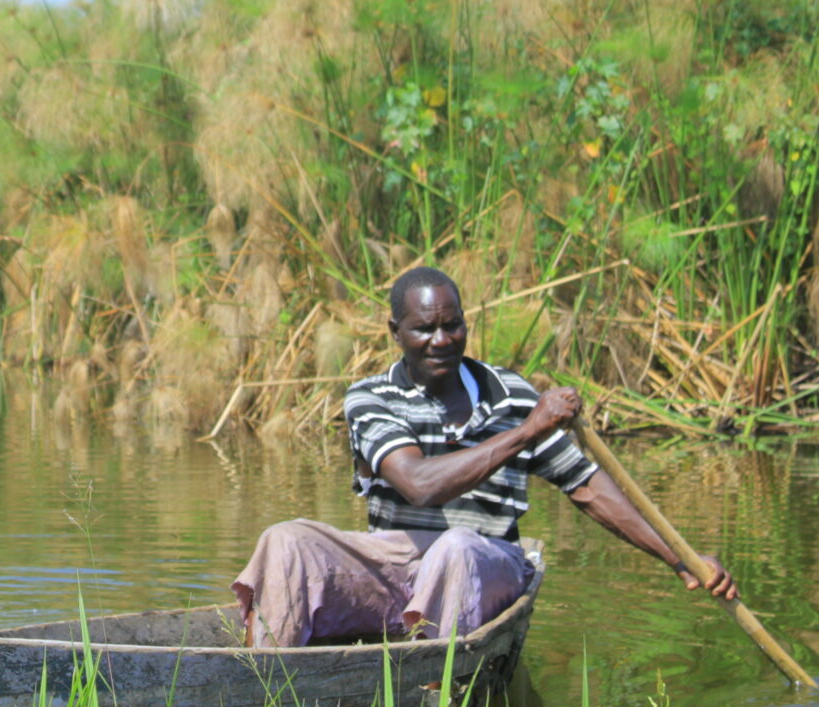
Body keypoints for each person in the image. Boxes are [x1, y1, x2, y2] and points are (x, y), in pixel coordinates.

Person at [232, 265, 738, 648]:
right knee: (285, 541)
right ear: (395, 332)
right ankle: (268, 691)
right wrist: (527, 431)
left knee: (456, 548)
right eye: (423, 329)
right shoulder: (372, 398)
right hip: (396, 562)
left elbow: (586, 487)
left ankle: (433, 698)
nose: (441, 341)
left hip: (488, 562)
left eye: (452, 326)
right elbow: (418, 484)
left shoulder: (511, 396)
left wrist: (680, 558)